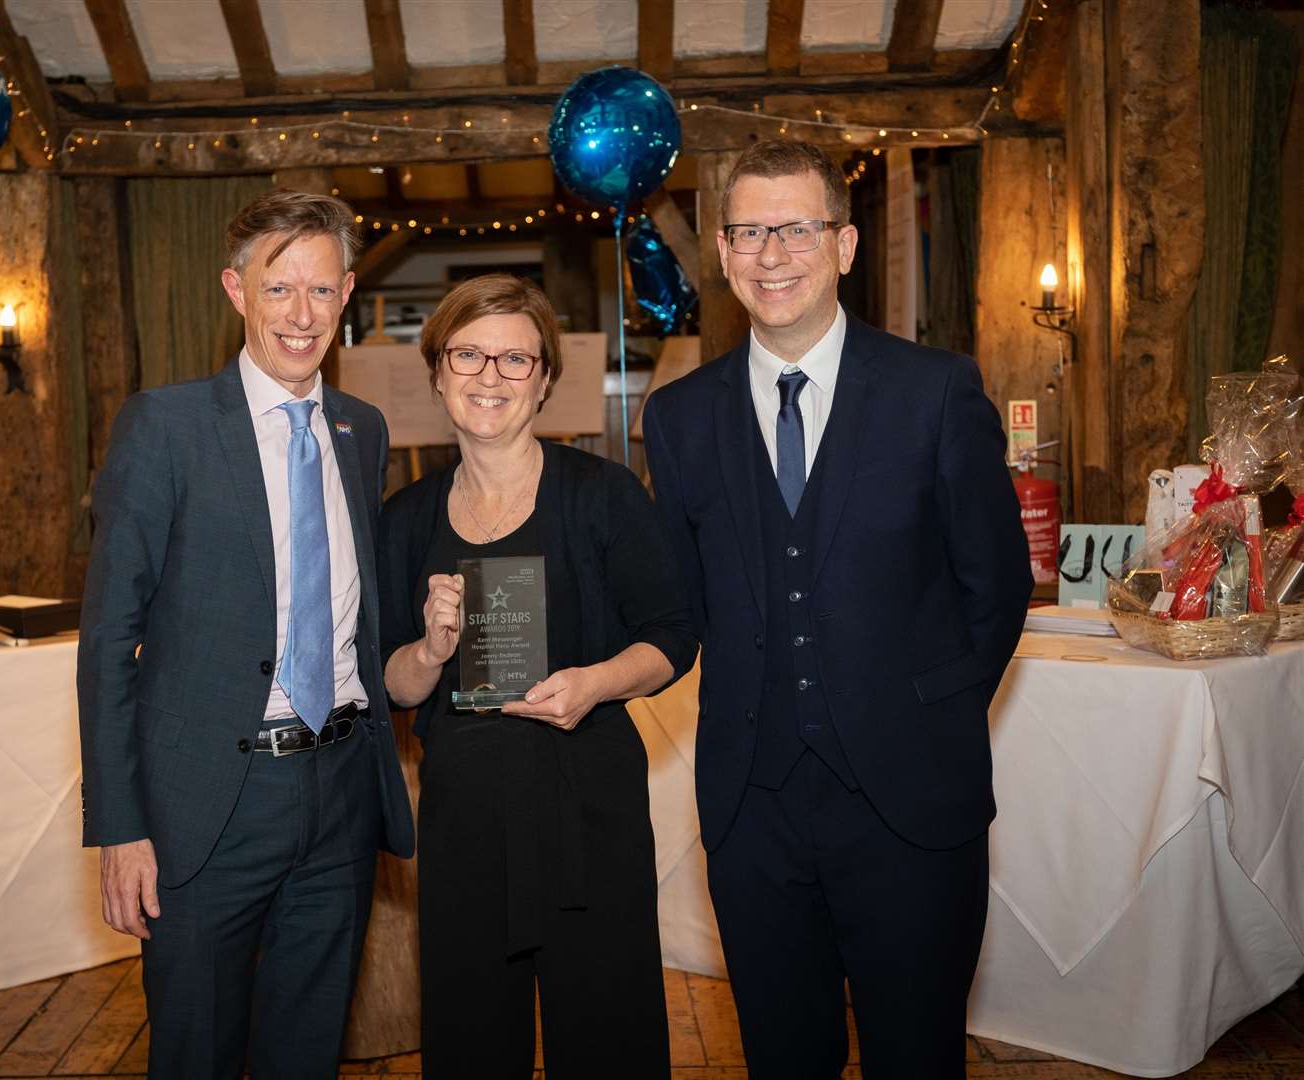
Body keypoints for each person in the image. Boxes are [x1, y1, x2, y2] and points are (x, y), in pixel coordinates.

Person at [642, 141, 1032, 1078]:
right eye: (748, 232)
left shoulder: (935, 392)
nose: (772, 253)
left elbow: (998, 585)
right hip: (751, 810)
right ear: (725, 255)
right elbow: (678, 601)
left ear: (846, 246)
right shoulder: (679, 417)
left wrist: (922, 714)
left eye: (797, 228)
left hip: (910, 805)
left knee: (916, 1055)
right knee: (783, 1056)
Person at [77, 189, 414, 1079]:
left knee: (307, 1053)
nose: (302, 316)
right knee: (196, 1052)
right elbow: (109, 640)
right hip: (206, 810)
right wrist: (120, 827)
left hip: (339, 793)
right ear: (236, 290)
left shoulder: (361, 431)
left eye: (322, 291)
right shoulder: (166, 428)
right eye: (279, 289)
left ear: (346, 296)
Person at [380, 274, 697, 1079]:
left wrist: (594, 683)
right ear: (439, 372)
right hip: (464, 829)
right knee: (471, 1045)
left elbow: (673, 637)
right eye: (470, 355)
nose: (490, 377)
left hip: (588, 817)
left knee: (607, 1043)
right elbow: (395, 685)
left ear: (546, 379)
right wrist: (429, 649)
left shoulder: (603, 497)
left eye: (515, 359)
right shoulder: (405, 518)